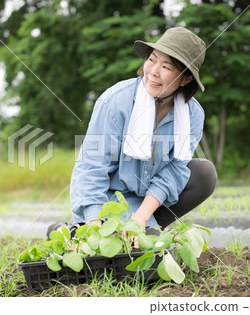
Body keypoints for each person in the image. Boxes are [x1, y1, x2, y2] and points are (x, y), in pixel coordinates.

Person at [48, 27, 217, 242]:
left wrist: (142, 217)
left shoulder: (192, 114)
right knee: (125, 257)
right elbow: (92, 167)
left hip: (146, 201)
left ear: (185, 79)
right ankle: (73, 232)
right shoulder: (115, 102)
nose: (153, 71)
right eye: (151, 60)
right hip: (110, 197)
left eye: (166, 66)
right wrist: (95, 225)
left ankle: (146, 229)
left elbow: (175, 171)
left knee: (205, 174)